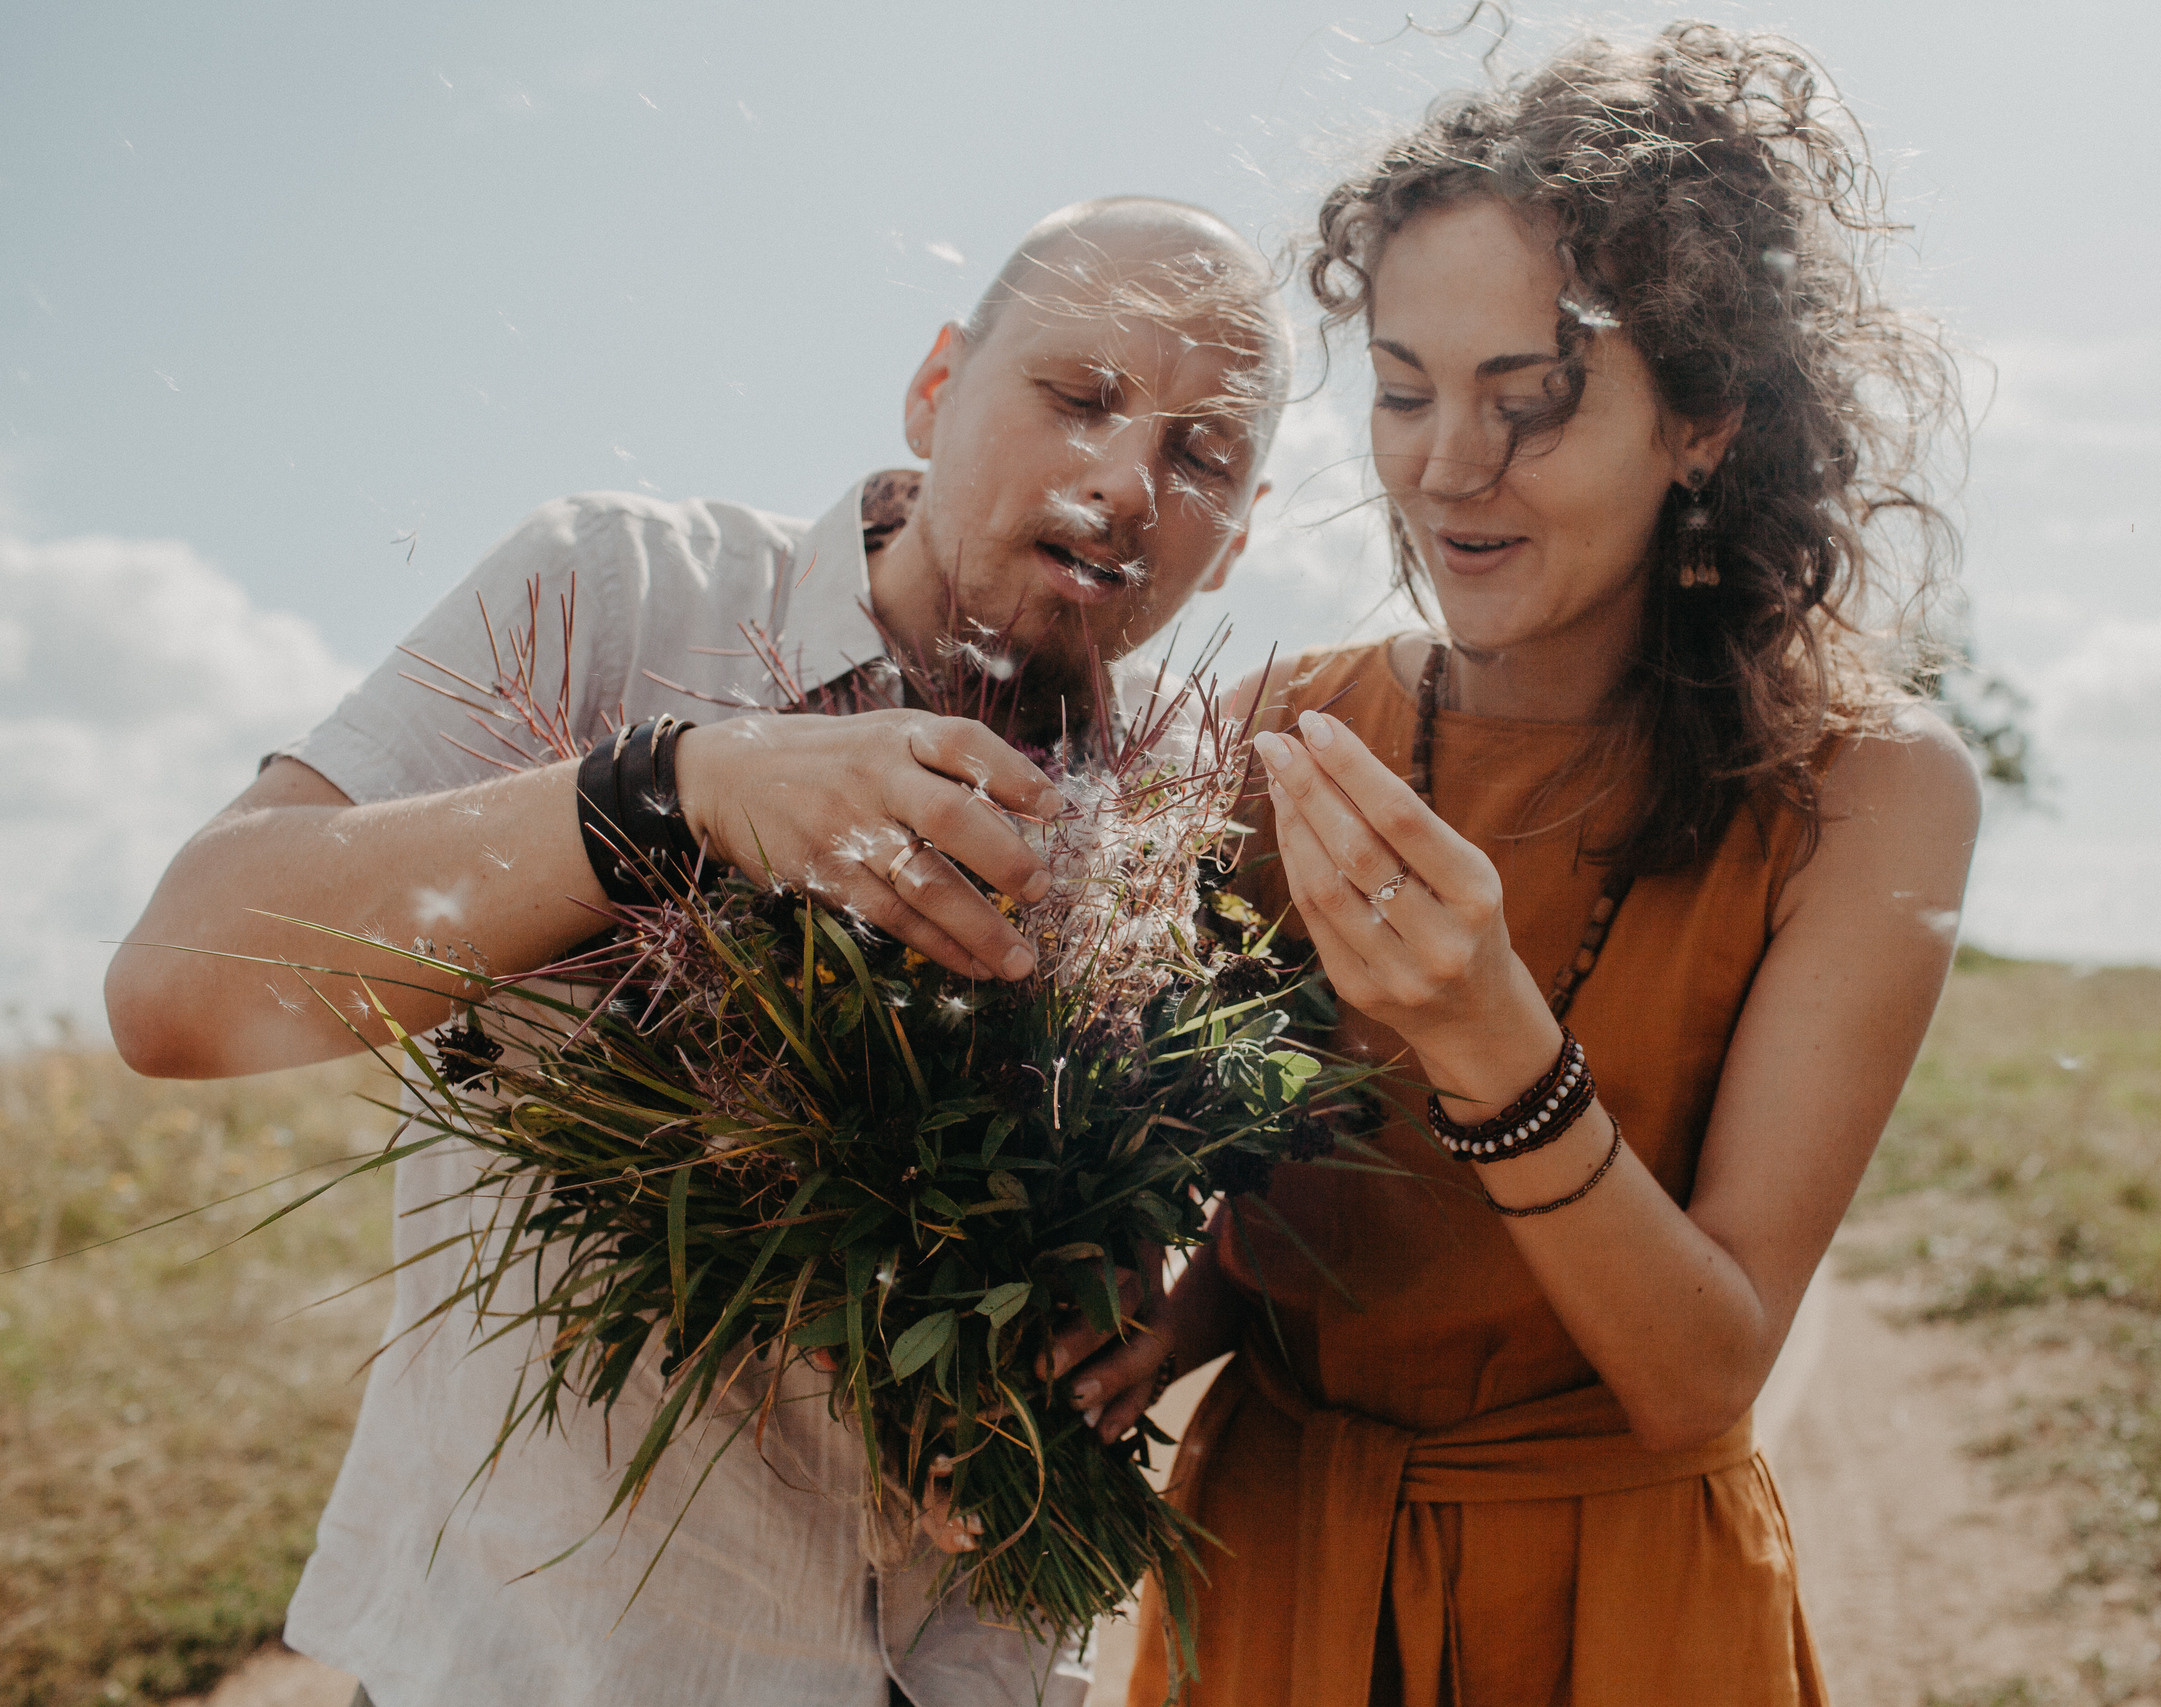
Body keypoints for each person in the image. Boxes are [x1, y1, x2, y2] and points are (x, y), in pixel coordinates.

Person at [104, 196, 1287, 1707]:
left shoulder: (1168, 844)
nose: (1127, 480)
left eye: (1201, 455)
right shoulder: (618, 594)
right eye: (1079, 395)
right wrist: (674, 794)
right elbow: (178, 986)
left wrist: (1104, 1309)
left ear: (1240, 536)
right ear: (935, 387)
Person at [1066, 27, 1981, 1706]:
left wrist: (1494, 1038)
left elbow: (1703, 1372)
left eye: (1531, 401)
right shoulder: (1282, 735)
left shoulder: (1870, 791)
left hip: (1620, 1614)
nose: (1445, 467)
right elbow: (1287, 1176)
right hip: (1270, 1570)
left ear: (1702, 419)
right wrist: (1171, 1316)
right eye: (1405, 391)